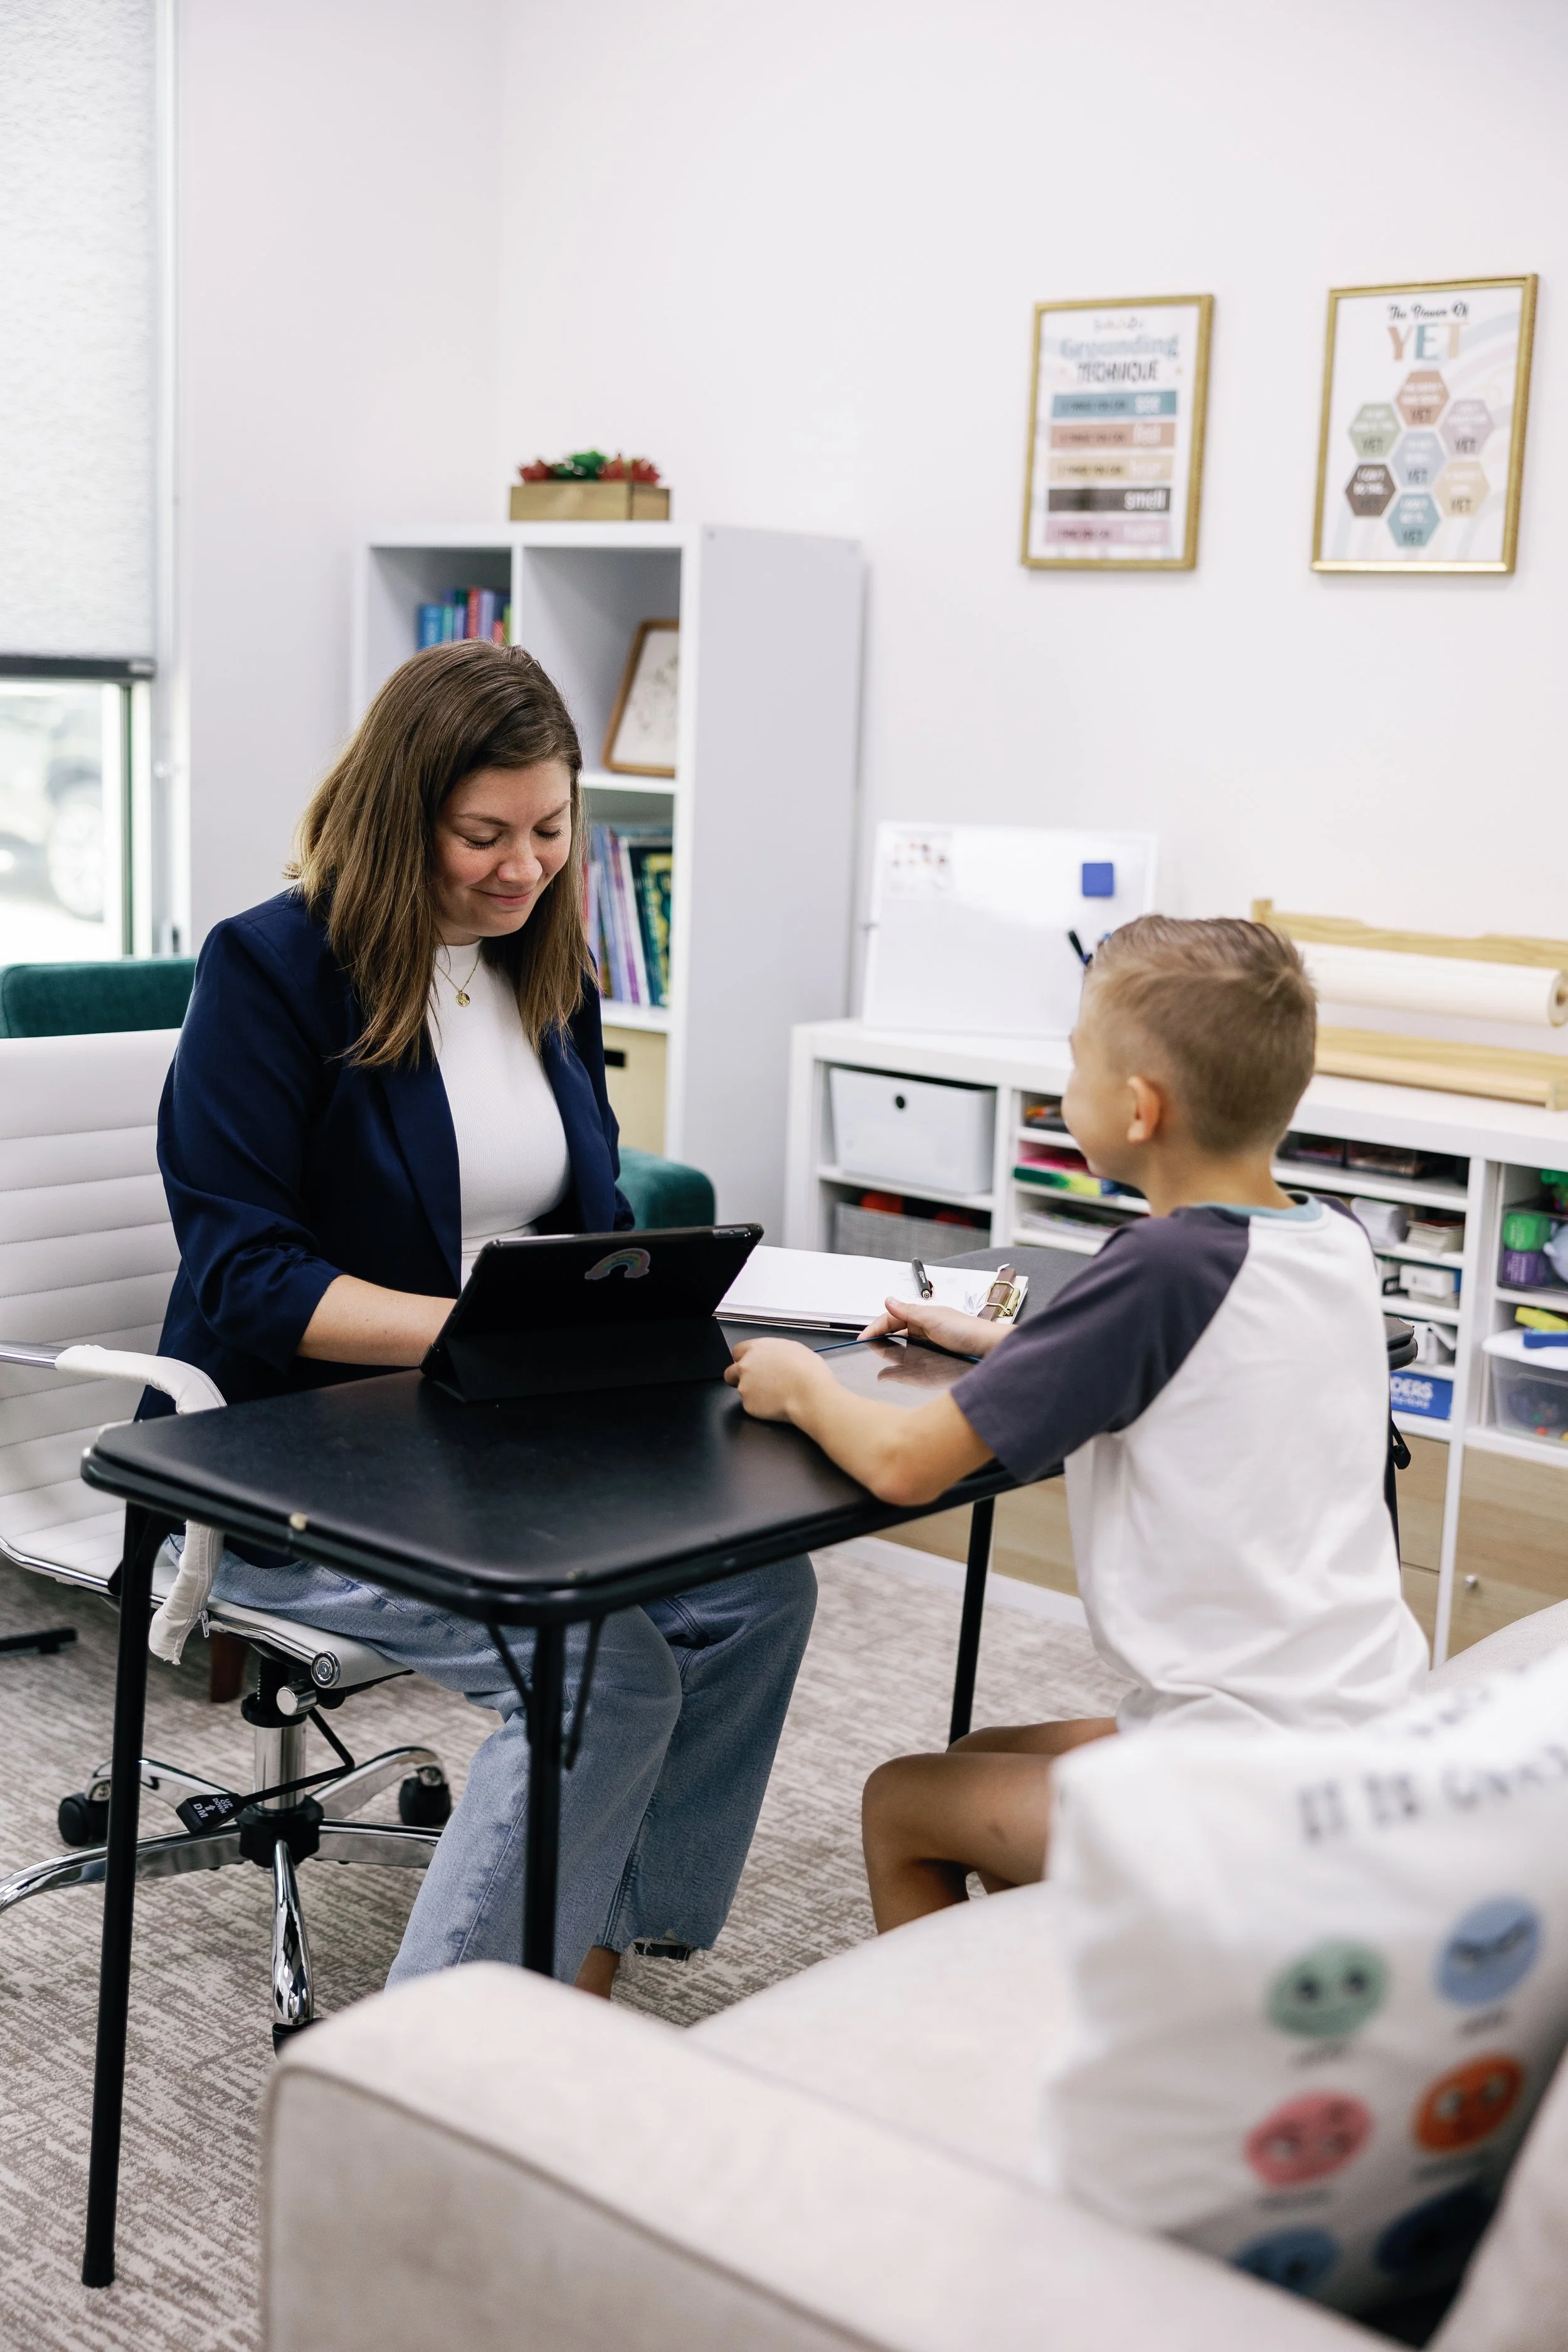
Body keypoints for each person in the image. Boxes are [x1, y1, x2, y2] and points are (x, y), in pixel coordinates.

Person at [150, 639, 815, 1993]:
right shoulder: (270, 971)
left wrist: (659, 1320)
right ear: (405, 818)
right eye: (482, 835)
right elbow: (244, 1276)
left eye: (551, 830)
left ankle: (595, 1955)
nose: (522, 866)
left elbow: (592, 1224)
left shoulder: (541, 965)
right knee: (604, 1673)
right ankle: (435, 2063)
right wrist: (469, 1331)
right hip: (302, 1456)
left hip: (517, 1434)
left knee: (758, 1589)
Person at [724, 915, 1428, 1932]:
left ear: (1138, 1108)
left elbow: (903, 1463)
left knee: (902, 1803)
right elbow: (1190, 1376)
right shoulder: (1332, 1240)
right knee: (975, 1764)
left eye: (1075, 1062)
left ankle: (946, 2075)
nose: (1065, 1088)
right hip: (1354, 1728)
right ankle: (1061, 1992)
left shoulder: (1161, 1265)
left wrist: (799, 1383)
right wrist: (992, 1343)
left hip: (1247, 1783)